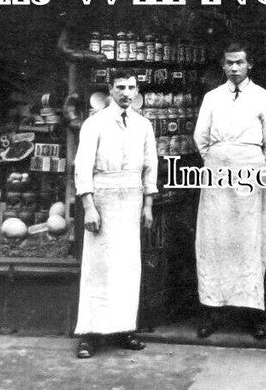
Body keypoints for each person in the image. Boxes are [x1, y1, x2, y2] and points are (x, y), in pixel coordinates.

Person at [193, 41, 266, 340]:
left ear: (249, 64)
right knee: (214, 241)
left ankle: (254, 314)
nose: (234, 68)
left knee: (250, 240)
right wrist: (220, 159)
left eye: (240, 62)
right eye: (229, 63)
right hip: (218, 174)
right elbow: (201, 138)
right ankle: (212, 310)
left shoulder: (265, 98)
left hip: (251, 174)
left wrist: (252, 163)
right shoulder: (212, 98)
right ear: (223, 65)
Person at [72, 70, 157, 358]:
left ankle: (123, 329)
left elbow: (150, 166)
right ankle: (89, 334)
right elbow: (83, 166)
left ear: (137, 91)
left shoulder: (143, 125)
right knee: (98, 268)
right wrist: (89, 206)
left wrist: (147, 205)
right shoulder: (94, 123)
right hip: (103, 200)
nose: (126, 93)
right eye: (120, 87)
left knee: (127, 266)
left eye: (131, 87)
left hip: (131, 199)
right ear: (110, 89)